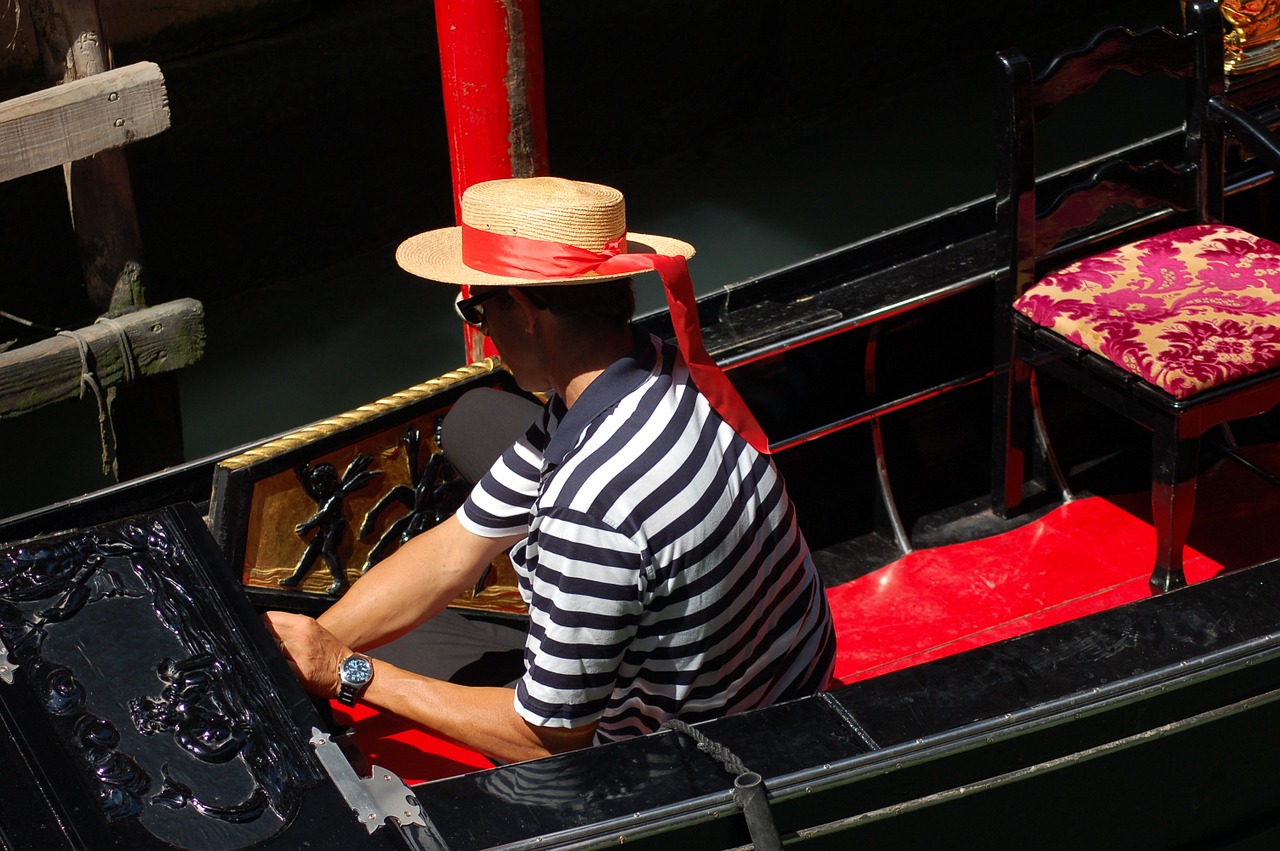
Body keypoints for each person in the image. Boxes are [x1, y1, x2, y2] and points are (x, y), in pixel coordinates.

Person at [265, 177, 836, 764]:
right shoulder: (658, 365)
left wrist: (347, 673)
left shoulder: (590, 506)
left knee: (414, 648)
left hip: (691, 755)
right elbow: (453, 549)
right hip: (790, 670)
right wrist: (299, 653)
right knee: (477, 420)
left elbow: (546, 739)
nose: (482, 336)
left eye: (478, 310)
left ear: (523, 310)